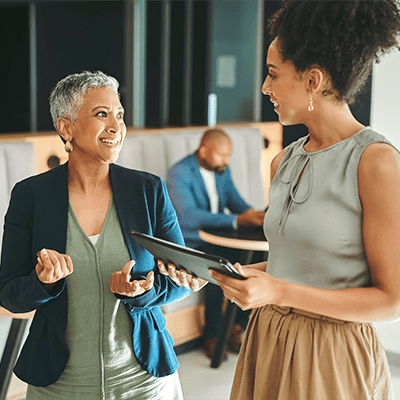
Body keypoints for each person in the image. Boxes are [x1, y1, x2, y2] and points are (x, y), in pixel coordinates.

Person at [168, 1, 400, 398]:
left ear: (313, 79)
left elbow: (391, 300)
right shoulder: (283, 162)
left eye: (273, 74)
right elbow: (290, 264)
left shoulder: (376, 162)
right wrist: (222, 274)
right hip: (268, 337)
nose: (264, 87)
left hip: (332, 353)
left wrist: (277, 291)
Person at [0, 71, 202, 400]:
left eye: (119, 115)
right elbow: (7, 292)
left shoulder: (148, 190)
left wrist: (140, 293)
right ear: (66, 128)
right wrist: (44, 284)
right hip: (60, 385)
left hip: (143, 380)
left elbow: (180, 277)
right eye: (101, 114)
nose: (115, 126)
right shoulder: (30, 196)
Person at [166, 128, 265, 357]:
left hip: (220, 237)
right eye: (222, 155)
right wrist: (237, 220)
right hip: (192, 241)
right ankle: (211, 335)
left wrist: (256, 216)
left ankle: (237, 324)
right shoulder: (179, 173)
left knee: (257, 258)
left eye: (228, 155)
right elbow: (188, 217)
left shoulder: (222, 170)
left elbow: (235, 200)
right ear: (204, 150)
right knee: (216, 265)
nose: (226, 160)